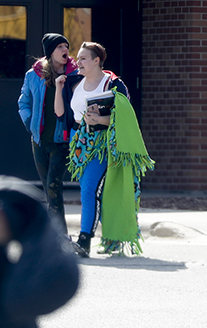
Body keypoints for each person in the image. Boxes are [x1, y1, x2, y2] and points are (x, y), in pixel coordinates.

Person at [55, 41, 153, 256]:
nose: (77, 62)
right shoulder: (73, 82)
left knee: (89, 190)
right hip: (79, 145)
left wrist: (101, 119)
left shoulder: (113, 84)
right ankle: (112, 237)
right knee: (99, 193)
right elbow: (62, 115)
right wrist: (59, 88)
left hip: (103, 145)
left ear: (96, 61)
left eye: (83, 58)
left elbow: (126, 118)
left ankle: (84, 240)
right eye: (77, 58)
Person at [17, 33, 77, 235]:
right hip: (39, 141)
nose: (64, 50)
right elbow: (23, 103)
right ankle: (56, 236)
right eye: (59, 46)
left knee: (53, 185)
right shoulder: (33, 75)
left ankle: (59, 236)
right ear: (50, 52)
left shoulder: (75, 74)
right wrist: (29, 123)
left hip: (63, 140)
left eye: (66, 46)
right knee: (49, 189)